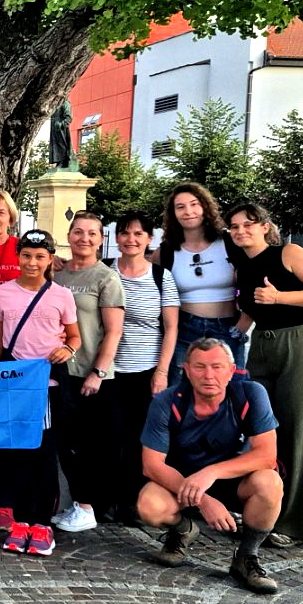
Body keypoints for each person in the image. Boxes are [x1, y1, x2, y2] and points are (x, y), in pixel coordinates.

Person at [136, 338, 284, 594]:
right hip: (185, 482)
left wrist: (211, 472)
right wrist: (203, 500)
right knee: (149, 505)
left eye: (217, 367)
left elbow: (267, 456)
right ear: (186, 369)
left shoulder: (250, 394)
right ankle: (183, 530)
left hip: (235, 481)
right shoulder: (167, 402)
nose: (208, 375)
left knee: (270, 482)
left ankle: (247, 557)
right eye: (199, 366)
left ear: (231, 370)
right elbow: (151, 466)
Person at [227, 202, 303, 546]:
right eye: (234, 226)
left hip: (298, 345)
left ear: (264, 226)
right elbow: (249, 313)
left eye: (247, 224)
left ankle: (293, 525)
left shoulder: (288, 252)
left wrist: (279, 297)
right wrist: (227, 340)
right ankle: (263, 512)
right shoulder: (242, 267)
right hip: (262, 347)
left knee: (298, 435)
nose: (240, 231)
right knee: (262, 435)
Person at [0, 229, 79, 557]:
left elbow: (74, 336)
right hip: (12, 383)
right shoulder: (1, 294)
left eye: (39, 256)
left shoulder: (61, 295)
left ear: (50, 259)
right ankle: (20, 520)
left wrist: (67, 349)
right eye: (26, 255)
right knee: (15, 452)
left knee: (43, 452)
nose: (32, 262)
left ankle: (42, 522)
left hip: (46, 385)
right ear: (17, 257)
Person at [49, 211, 125, 534]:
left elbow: (114, 331)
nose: (85, 238)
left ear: (100, 239)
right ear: (69, 236)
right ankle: (77, 503)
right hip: (61, 370)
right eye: (78, 232)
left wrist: (98, 371)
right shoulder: (58, 274)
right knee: (65, 440)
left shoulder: (106, 278)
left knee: (90, 444)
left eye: (92, 233)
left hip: (91, 373)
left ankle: (87, 506)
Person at [104, 209, 180, 523]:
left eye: (138, 234)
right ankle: (106, 499)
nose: (131, 239)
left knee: (139, 439)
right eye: (124, 232)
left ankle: (132, 501)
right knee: (109, 436)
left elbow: (171, 328)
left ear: (149, 239)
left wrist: (161, 372)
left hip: (146, 371)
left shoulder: (161, 277)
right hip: (109, 370)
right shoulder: (105, 270)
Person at [157, 182, 247, 369]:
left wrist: (242, 325)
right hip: (183, 330)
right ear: (173, 213)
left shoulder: (229, 242)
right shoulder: (166, 251)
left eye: (194, 204)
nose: (188, 211)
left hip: (228, 328)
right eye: (180, 207)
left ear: (205, 207)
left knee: (232, 384)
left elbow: (255, 280)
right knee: (180, 385)